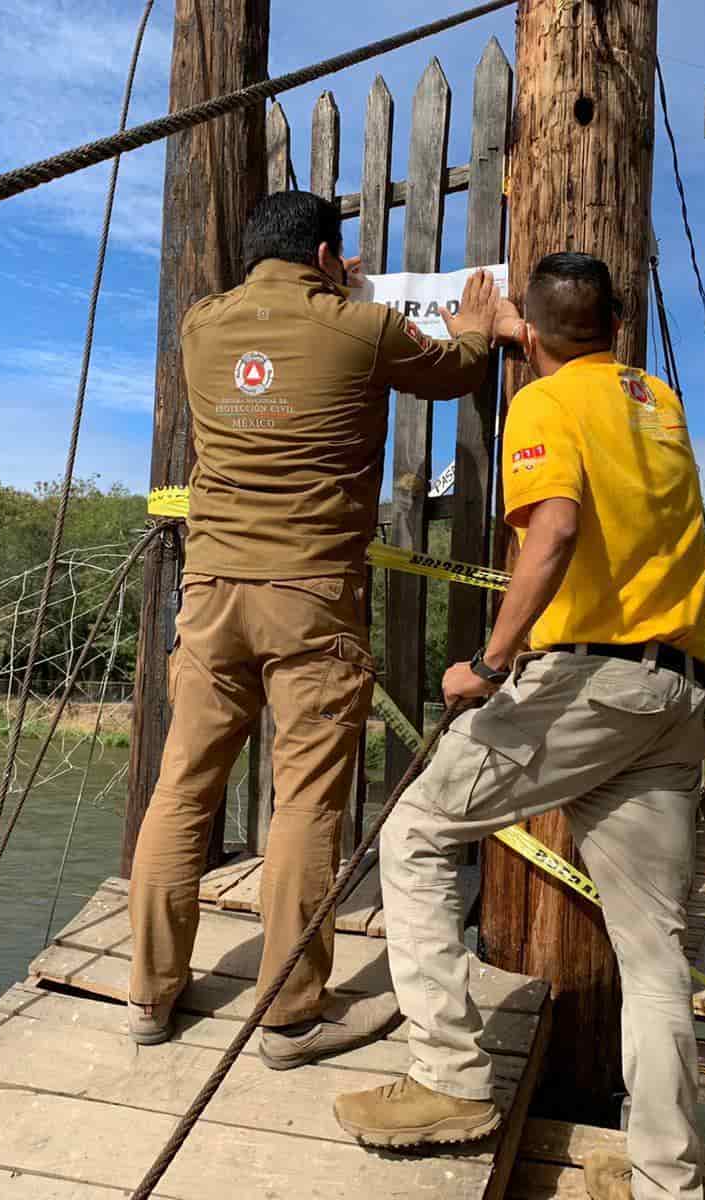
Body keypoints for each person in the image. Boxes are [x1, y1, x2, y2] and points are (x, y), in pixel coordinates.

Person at [333, 252, 705, 1200]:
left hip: (583, 680)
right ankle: (669, 1182)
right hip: (677, 694)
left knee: (417, 831)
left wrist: (491, 662)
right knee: (654, 952)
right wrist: (525, 333)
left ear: (538, 337)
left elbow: (550, 532)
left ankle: (451, 1082)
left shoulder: (542, 407)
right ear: (616, 329)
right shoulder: (655, 400)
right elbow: (589, 379)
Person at [126, 189, 509, 1071]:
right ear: (331, 254)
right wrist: (479, 324)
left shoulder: (200, 326)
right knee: (305, 801)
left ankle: (150, 995)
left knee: (183, 789)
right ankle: (291, 1016)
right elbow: (455, 368)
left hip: (212, 593)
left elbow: (276, 335)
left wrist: (330, 289)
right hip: (310, 598)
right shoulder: (361, 327)